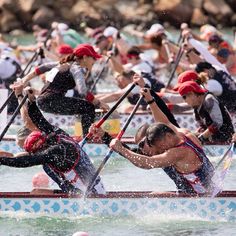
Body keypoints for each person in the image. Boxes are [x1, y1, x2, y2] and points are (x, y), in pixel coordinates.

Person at [107, 87, 215, 195]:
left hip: (202, 197)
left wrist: (121, 149)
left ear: (168, 136)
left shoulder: (177, 152)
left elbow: (147, 163)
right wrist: (150, 100)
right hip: (212, 189)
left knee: (153, 196)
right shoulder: (184, 133)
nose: (161, 150)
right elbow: (165, 121)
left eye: (160, 146)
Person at [0, 89, 106, 195]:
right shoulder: (53, 133)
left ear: (41, 147)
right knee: (36, 192)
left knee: (45, 165)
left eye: (36, 152)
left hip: (92, 193)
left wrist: (2, 161)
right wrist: (31, 101)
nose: (36, 154)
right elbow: (38, 118)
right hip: (76, 189)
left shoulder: (58, 150)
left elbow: (27, 161)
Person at [11, 44, 108, 136]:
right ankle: (87, 138)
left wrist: (23, 80)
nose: (95, 61)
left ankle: (82, 133)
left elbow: (39, 69)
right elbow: (83, 92)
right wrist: (99, 103)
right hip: (53, 101)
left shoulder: (62, 64)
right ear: (85, 57)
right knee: (88, 107)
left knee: (83, 106)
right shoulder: (76, 69)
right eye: (93, 58)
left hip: (42, 100)